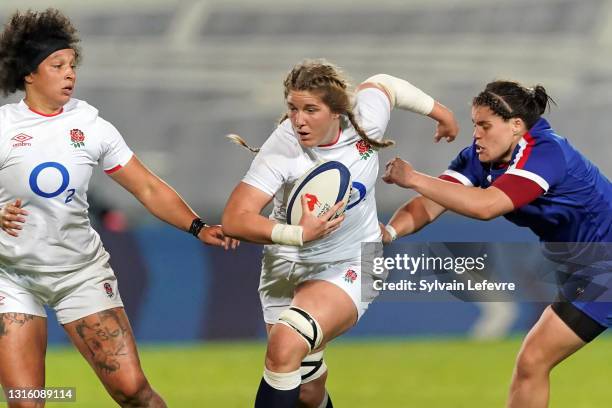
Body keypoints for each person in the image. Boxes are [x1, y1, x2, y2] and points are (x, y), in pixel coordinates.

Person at [0, 9, 237, 408]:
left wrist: (197, 227)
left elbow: (146, 186)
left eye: (72, 64)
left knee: (133, 392)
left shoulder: (91, 126)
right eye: (57, 65)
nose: (69, 73)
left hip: (79, 273)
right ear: (29, 73)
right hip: (11, 276)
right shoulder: (4, 127)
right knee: (27, 402)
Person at [222, 58, 458, 407]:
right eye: (292, 108)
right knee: (305, 389)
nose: (298, 120)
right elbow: (235, 218)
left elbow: (385, 84)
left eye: (310, 110)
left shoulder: (363, 119)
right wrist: (297, 234)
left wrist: (441, 113)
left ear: (336, 111)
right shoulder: (283, 149)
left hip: (353, 261)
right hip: (285, 267)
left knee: (286, 345)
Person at [382, 80, 612, 408]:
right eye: (475, 124)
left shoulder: (545, 151)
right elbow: (430, 204)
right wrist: (389, 232)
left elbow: (486, 206)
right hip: (586, 269)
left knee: (533, 360)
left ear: (516, 126)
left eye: (485, 125)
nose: (476, 134)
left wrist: (414, 177)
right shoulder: (479, 158)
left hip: (604, 265)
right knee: (531, 362)